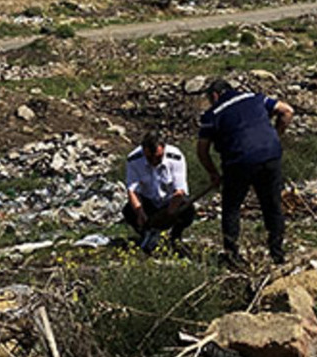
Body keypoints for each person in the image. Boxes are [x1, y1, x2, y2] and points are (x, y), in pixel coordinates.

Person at [196, 79, 294, 265]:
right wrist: (275, 136)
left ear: (215, 95)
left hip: (238, 162)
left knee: (232, 208)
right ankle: (277, 253)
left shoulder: (213, 113)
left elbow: (202, 150)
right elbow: (287, 111)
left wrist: (213, 173)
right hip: (270, 156)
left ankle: (232, 256)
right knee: (272, 205)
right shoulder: (255, 98)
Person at [124, 131, 195, 253]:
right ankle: (146, 234)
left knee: (188, 210)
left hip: (169, 201)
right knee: (128, 211)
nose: (153, 161)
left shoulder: (175, 157)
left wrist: (169, 214)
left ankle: (175, 237)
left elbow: (180, 190)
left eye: (158, 157)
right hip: (148, 201)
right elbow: (132, 190)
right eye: (149, 158)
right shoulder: (134, 159)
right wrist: (139, 212)